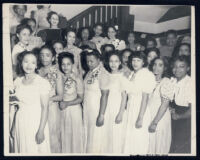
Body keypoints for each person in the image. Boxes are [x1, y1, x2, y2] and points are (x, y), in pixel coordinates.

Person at [11, 51, 51, 153]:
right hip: (21, 121)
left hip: (36, 122)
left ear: (37, 65)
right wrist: (14, 126)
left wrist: (41, 130)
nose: (29, 65)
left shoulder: (42, 83)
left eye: (33, 62)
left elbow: (45, 108)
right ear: (21, 63)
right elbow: (17, 107)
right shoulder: (17, 82)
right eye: (26, 62)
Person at [124, 51, 156, 155]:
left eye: (138, 60)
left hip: (140, 109)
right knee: (131, 139)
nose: (135, 63)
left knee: (139, 140)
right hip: (130, 108)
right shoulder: (132, 74)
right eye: (133, 60)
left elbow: (145, 98)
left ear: (143, 62)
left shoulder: (147, 74)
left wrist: (140, 117)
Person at [83, 49, 110, 153]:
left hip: (96, 109)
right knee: (89, 133)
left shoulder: (103, 73)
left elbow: (105, 95)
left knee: (96, 136)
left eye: (92, 61)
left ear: (99, 59)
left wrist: (101, 115)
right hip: (88, 108)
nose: (89, 63)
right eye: (87, 61)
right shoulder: (90, 72)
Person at [38, 45, 63, 153]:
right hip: (37, 108)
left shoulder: (57, 73)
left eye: (47, 55)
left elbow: (60, 96)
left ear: (53, 58)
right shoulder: (36, 71)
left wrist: (47, 100)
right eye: (42, 55)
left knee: (52, 136)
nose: (44, 58)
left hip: (51, 109)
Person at [58, 52, 84, 153]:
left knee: (75, 137)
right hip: (62, 111)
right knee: (65, 136)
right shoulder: (59, 77)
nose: (65, 67)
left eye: (68, 64)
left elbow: (81, 98)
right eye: (63, 64)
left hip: (74, 111)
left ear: (72, 64)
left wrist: (67, 104)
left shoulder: (77, 79)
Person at [148, 57, 173, 155]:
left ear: (165, 68)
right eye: (154, 64)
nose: (156, 67)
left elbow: (164, 104)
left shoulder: (166, 82)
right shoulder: (150, 81)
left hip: (160, 119)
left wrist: (155, 122)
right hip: (150, 117)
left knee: (159, 147)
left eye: (160, 65)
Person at [104, 51, 128, 153]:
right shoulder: (107, 75)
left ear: (120, 62)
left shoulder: (122, 76)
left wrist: (120, 113)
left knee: (117, 137)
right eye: (111, 61)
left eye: (116, 61)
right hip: (108, 109)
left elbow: (124, 97)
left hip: (118, 108)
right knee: (108, 137)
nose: (113, 64)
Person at [169, 55, 192, 153]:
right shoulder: (172, 81)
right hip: (172, 119)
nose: (177, 69)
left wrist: (179, 116)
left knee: (179, 149)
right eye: (175, 66)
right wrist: (170, 108)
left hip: (184, 121)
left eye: (181, 66)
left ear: (188, 68)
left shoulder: (190, 83)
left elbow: (193, 110)